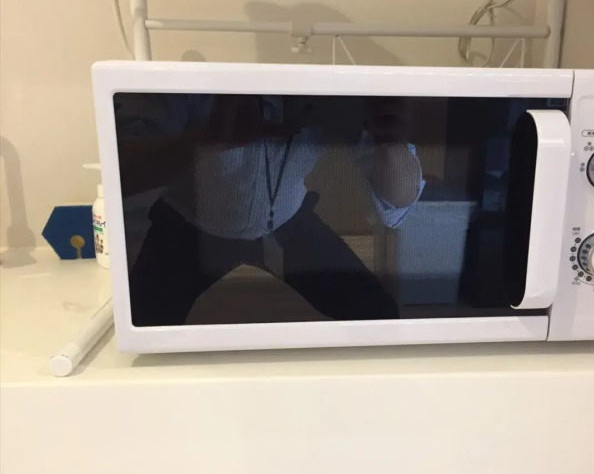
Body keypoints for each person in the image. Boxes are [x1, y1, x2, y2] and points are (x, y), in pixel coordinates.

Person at [115, 93, 424, 326]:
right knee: (140, 322)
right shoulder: (186, 89)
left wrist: (392, 143)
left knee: (377, 312)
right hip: (193, 224)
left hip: (285, 218)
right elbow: (123, 169)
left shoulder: (335, 91)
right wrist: (207, 138)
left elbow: (399, 199)